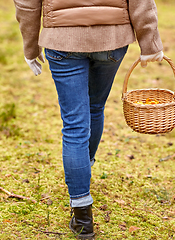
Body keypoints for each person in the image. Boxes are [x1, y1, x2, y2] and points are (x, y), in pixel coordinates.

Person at [13, 0, 164, 239]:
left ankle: (82, 216)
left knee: (74, 125)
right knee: (95, 107)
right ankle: (83, 166)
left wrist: (30, 48)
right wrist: (150, 43)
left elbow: (26, 4)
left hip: (62, 40)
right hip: (112, 39)